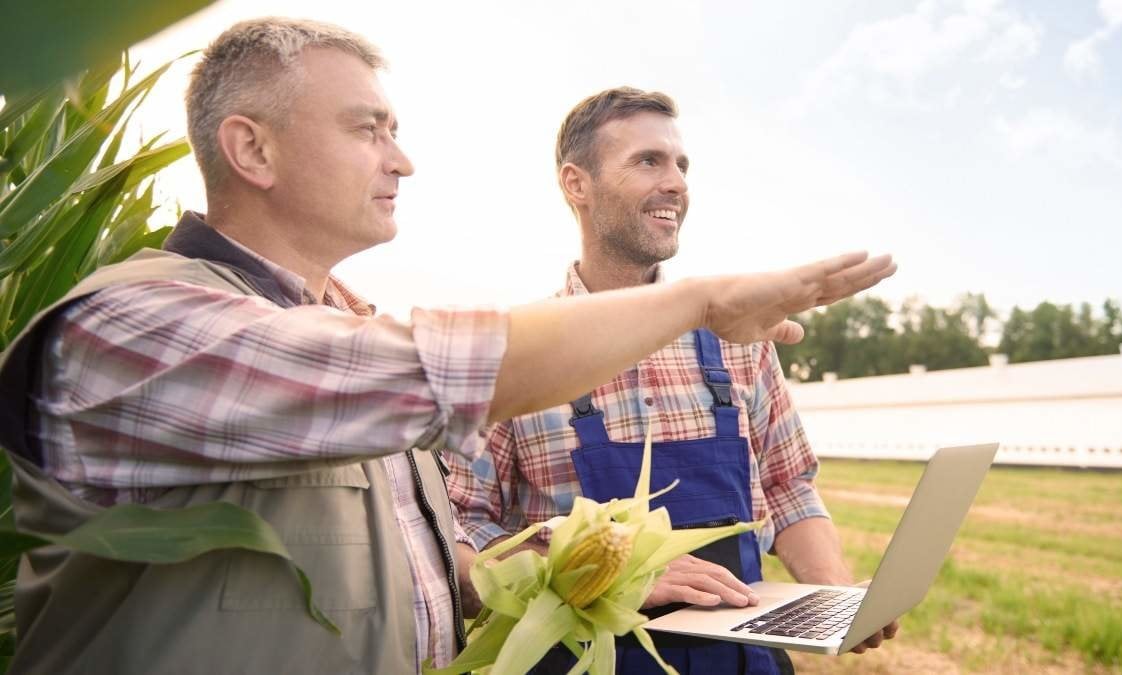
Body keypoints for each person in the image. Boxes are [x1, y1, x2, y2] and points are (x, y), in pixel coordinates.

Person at [0, 21, 896, 675]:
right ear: (253, 149)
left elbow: (440, 567)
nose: (403, 160)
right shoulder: (137, 326)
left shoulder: (341, 326)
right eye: (368, 129)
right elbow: (446, 374)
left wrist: (604, 570)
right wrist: (702, 300)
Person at [446, 87, 900, 674]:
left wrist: (835, 596)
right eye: (647, 161)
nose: (677, 183)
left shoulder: (741, 340)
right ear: (576, 184)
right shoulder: (520, 352)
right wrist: (600, 570)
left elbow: (789, 486)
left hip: (740, 660)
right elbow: (461, 523)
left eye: (681, 165)